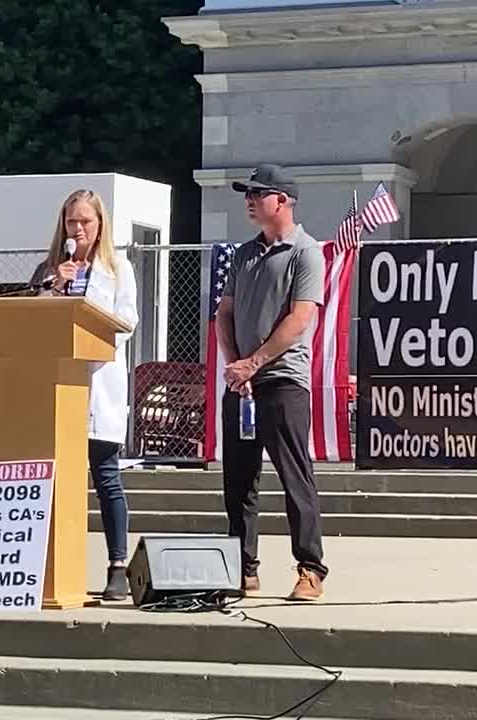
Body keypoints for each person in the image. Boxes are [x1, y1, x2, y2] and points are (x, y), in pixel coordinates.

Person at [216, 163, 328, 602]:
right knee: (239, 482)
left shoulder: (305, 252)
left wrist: (255, 363)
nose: (249, 200)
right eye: (247, 193)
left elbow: (299, 318)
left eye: (257, 193)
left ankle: (310, 568)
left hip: (282, 382)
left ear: (282, 200)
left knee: (294, 477)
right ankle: (242, 568)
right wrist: (235, 366)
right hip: (242, 384)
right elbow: (224, 314)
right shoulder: (244, 254)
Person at [30, 189, 138, 601]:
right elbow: (34, 317)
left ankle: (117, 566)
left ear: (100, 225)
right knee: (57, 478)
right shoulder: (50, 268)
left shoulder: (117, 267)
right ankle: (50, 563)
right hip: (57, 384)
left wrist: (91, 310)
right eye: (72, 222)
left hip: (98, 386)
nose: (78, 230)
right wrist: (55, 286)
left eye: (86, 222)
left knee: (105, 476)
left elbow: (127, 319)